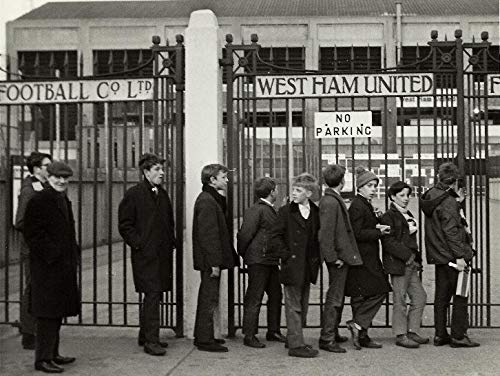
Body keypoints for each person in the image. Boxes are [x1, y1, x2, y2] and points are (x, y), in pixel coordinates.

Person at [23, 161, 80, 373]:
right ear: (49, 177)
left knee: (55, 313)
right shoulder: (39, 200)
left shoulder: (61, 198)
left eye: (65, 178)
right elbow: (32, 233)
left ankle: (53, 353)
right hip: (47, 268)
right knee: (46, 315)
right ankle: (42, 359)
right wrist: (53, 255)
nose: (62, 181)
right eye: (58, 177)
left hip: (60, 267)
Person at [118, 153, 176, 356]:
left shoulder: (161, 193)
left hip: (161, 254)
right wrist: (138, 244)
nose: (162, 173)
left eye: (162, 169)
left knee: (155, 294)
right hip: (146, 255)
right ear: (146, 172)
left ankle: (145, 336)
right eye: (157, 170)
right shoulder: (134, 194)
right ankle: (152, 341)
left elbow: (168, 221)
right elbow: (125, 224)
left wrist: (171, 241)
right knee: (152, 295)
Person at [420, 162, 479, 348]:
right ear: (454, 181)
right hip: (454, 258)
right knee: (460, 295)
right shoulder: (448, 202)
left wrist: (457, 202)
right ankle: (458, 336)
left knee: (441, 296)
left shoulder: (432, 196)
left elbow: (440, 222)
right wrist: (461, 257)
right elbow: (452, 231)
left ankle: (440, 334)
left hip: (440, 256)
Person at [269, 173, 321, 358]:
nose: (293, 193)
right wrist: (286, 256)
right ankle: (296, 345)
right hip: (293, 265)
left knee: (303, 305)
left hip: (308, 266)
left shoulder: (315, 212)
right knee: (293, 306)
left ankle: (294, 338)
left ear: (309, 193)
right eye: (293, 190)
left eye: (298, 190)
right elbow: (274, 236)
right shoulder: (285, 212)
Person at [192, 163, 238, 352]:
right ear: (212, 180)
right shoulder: (207, 201)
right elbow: (208, 235)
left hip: (211, 260)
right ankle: (204, 339)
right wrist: (214, 263)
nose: (227, 181)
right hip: (210, 261)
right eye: (223, 177)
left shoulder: (211, 198)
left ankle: (204, 335)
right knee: (208, 298)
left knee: (209, 297)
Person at [345, 166, 391, 350]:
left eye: (375, 186)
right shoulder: (358, 205)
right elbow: (356, 233)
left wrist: (376, 220)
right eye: (370, 186)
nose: (373, 189)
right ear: (360, 187)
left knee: (361, 296)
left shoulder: (363, 204)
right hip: (364, 257)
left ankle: (361, 333)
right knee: (380, 290)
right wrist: (378, 232)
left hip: (365, 256)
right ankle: (358, 326)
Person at [318, 165, 362, 353]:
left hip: (339, 256)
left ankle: (332, 332)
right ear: (342, 181)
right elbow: (325, 234)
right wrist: (333, 257)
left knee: (337, 297)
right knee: (335, 298)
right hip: (338, 258)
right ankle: (327, 337)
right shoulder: (330, 201)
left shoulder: (331, 199)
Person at [237, 177, 285, 348]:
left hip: (268, 259)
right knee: (255, 296)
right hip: (260, 260)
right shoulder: (258, 210)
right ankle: (249, 335)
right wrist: (247, 255)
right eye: (276, 189)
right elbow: (244, 235)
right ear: (272, 192)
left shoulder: (266, 209)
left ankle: (273, 330)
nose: (277, 192)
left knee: (275, 295)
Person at [380, 181, 428, 349]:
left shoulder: (406, 213)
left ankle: (412, 330)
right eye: (402, 195)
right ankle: (401, 334)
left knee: (420, 297)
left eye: (408, 195)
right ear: (392, 197)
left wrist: (414, 258)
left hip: (410, 263)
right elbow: (389, 242)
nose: (406, 198)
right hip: (399, 264)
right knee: (400, 299)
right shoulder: (389, 215)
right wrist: (408, 255)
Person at [14, 151, 52, 350]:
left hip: (42, 248)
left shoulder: (44, 187)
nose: (50, 169)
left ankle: (34, 330)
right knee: (33, 288)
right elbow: (21, 221)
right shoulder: (30, 190)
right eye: (47, 165)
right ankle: (28, 333)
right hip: (33, 249)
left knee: (39, 288)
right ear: (37, 169)